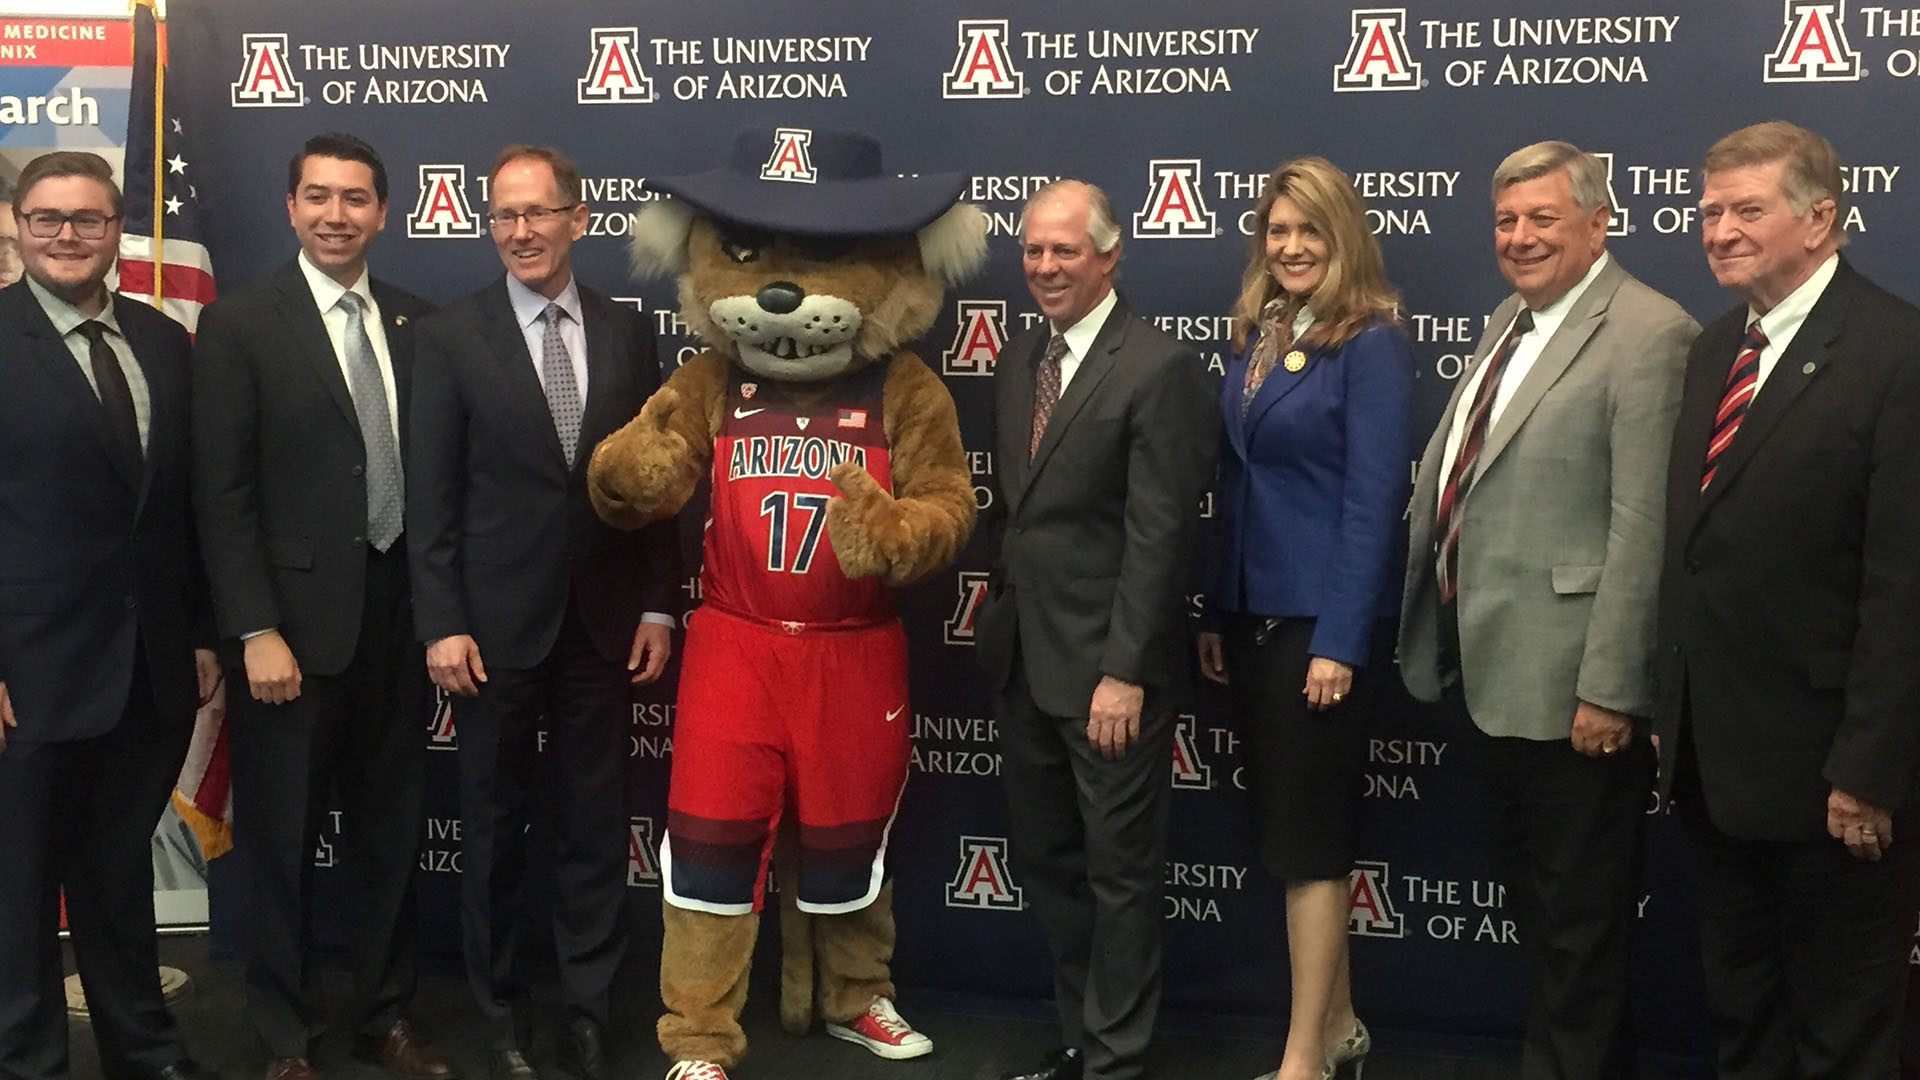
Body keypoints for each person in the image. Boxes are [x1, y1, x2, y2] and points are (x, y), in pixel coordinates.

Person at [1397, 141, 1697, 1080]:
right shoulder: (1510, 318)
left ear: (1599, 223)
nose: (1519, 239)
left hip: (1577, 695)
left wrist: (1612, 689)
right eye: (1505, 221)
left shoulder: (1651, 334)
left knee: (1577, 937)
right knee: (1551, 928)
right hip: (1496, 671)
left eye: (1542, 220)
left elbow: (1643, 530)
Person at [407, 144, 680, 1080]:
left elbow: (651, 488)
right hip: (488, 633)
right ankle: (501, 1013)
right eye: (503, 216)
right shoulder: (448, 337)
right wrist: (440, 621)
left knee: (595, 827)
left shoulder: (626, 332)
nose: (519, 232)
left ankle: (589, 1006)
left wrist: (658, 605)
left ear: (579, 218)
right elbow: (430, 497)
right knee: (489, 829)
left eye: (537, 213)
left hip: (603, 627)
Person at [1655, 119, 1920, 1080]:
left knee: (1846, 1031)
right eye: (1708, 211)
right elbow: (1693, 555)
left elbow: (1904, 588)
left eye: (1745, 210)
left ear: (1822, 219)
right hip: (1715, 768)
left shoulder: (1898, 353)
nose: (1718, 230)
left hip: (1832, 782)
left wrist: (1869, 770)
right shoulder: (1712, 349)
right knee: (1745, 1017)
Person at [192, 133, 447, 1080]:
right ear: (290, 207)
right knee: (281, 847)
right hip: (288, 637)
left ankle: (386, 1018)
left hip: (399, 624)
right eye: (318, 197)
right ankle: (286, 1038)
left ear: (386, 212)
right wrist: (254, 628)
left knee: (392, 838)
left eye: (355, 198)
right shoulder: (240, 325)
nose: (336, 214)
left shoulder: (423, 324)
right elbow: (220, 495)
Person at [977, 179, 1218, 1080]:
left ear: (1111, 257)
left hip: (1109, 675)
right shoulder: (1017, 359)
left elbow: (1162, 537)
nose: (1044, 267)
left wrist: (1126, 671)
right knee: (1049, 864)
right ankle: (1081, 1039)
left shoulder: (1156, 367)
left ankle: (1117, 1060)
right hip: (1026, 663)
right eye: (1034, 251)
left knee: (1120, 877)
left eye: (1064, 251)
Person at [0, 150, 215, 1080]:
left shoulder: (164, 342)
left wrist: (203, 631)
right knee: (16, 890)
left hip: (150, 665)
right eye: (47, 218)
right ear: (17, 224)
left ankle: (144, 1050)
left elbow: (187, 505)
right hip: (30, 670)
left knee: (117, 874)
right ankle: (28, 1060)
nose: (66, 236)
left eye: (87, 219)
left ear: (115, 230)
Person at [1195, 157, 1411, 1080]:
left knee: (1309, 846)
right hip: (1251, 619)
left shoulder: (1370, 343)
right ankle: (1342, 1021)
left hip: (1318, 630)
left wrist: (1339, 639)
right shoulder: (1261, 332)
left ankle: (1301, 1061)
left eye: (1307, 232)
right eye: (1276, 231)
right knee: (1292, 834)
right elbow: (1237, 483)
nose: (1289, 248)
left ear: (1343, 238)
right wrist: (1216, 605)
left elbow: (1372, 503)